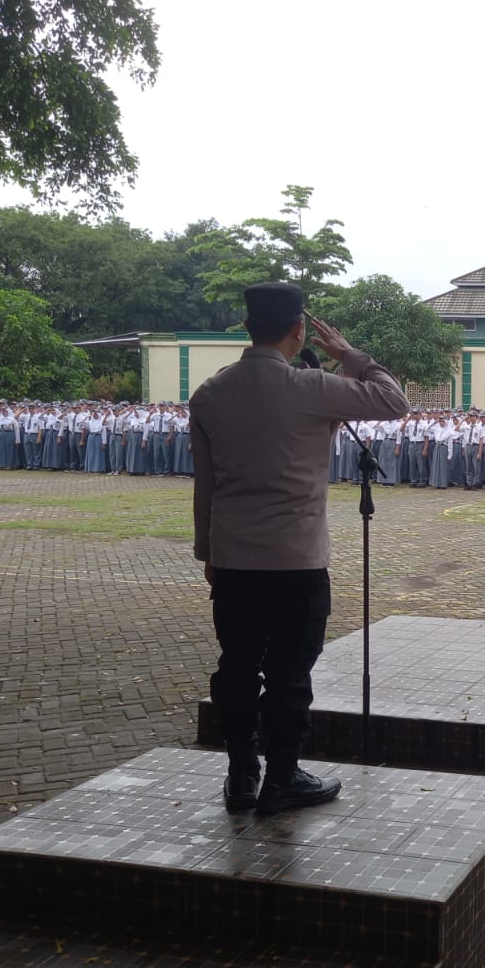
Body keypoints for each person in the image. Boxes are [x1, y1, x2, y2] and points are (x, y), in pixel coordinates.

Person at [190, 282, 408, 815]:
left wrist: (208, 553)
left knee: (237, 668)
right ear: (300, 329)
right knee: (290, 672)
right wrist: (351, 355)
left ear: (247, 327)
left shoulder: (210, 394)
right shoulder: (311, 387)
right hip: (295, 560)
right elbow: (393, 401)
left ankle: (242, 773)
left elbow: (206, 486)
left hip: (234, 559)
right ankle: (282, 776)